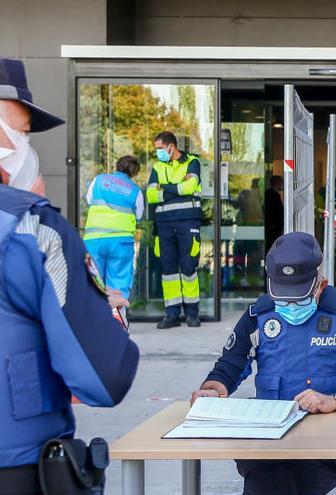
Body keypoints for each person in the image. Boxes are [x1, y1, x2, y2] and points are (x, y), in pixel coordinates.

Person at [0, 58, 139, 493]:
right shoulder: (34, 230)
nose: (27, 147)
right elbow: (102, 378)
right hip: (17, 469)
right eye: (21, 133)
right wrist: (100, 314)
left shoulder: (97, 184)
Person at [190, 232, 336, 495]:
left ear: (321, 285)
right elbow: (229, 366)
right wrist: (213, 390)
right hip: (269, 442)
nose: (289, 306)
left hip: (329, 445)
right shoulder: (259, 315)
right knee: (264, 468)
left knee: (285, 477)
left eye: (299, 299)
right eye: (282, 299)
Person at [147, 131, 202, 328]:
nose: (158, 152)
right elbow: (151, 196)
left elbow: (190, 188)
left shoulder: (192, 162)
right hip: (164, 224)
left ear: (171, 146)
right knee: (168, 270)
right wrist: (177, 188)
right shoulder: (157, 167)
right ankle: (171, 314)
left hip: (188, 221)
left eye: (160, 148)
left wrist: (165, 187)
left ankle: (192, 313)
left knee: (189, 268)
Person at [83, 155, 144, 300]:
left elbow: (89, 199)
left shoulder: (99, 180)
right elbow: (139, 215)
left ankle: (94, 319)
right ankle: (117, 320)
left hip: (94, 240)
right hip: (121, 243)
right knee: (118, 286)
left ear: (117, 166)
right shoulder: (136, 191)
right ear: (134, 173)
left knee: (92, 283)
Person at [264, 175, 284, 251]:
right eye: (281, 182)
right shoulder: (271, 194)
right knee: (271, 246)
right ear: (276, 183)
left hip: (275, 227)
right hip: (273, 228)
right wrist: (273, 225)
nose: (282, 185)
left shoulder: (273, 194)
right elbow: (270, 211)